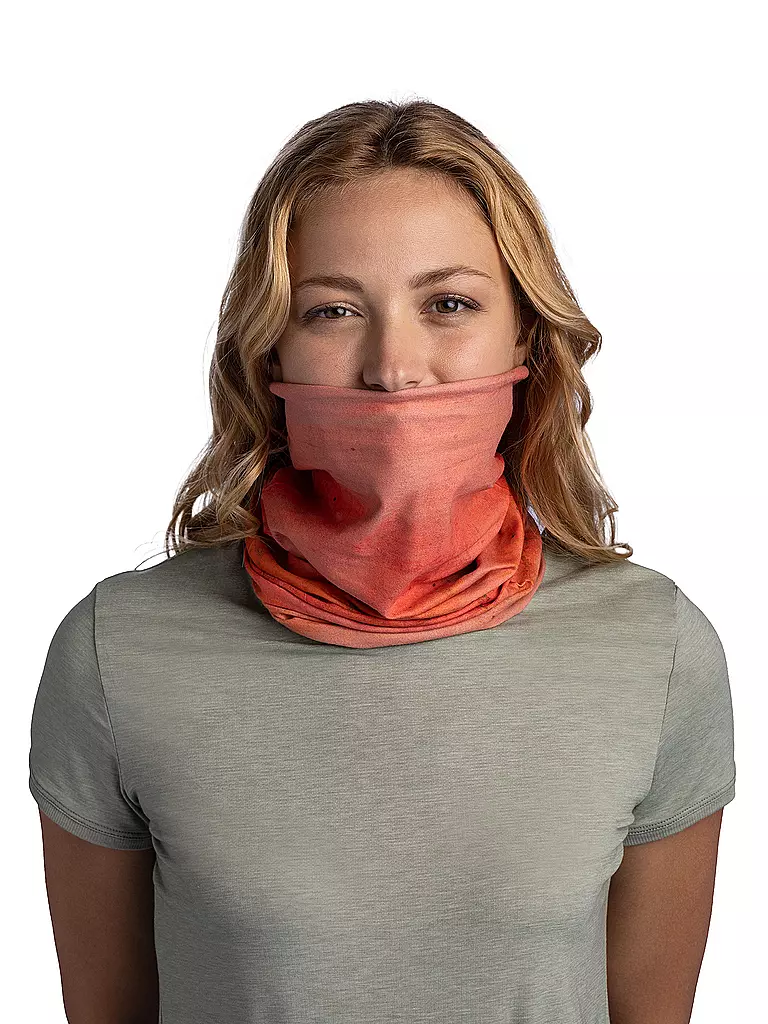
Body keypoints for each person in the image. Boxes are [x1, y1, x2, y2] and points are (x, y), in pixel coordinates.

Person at [28, 99, 736, 1024]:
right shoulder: (116, 652)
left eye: (449, 305)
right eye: (332, 311)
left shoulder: (656, 649)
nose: (394, 368)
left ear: (525, 334)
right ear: (270, 347)